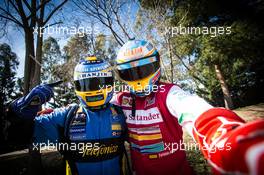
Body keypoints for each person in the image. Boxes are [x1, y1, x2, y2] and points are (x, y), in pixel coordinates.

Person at [113, 39, 264, 175]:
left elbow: (190, 106)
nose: (138, 78)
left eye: (143, 70)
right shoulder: (121, 99)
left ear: (156, 66)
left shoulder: (169, 92)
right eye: (129, 73)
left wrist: (222, 133)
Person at [9, 56, 128, 175]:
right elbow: (17, 135)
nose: (93, 90)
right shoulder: (65, 117)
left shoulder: (123, 113)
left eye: (99, 83)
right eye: (86, 84)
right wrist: (20, 108)